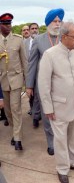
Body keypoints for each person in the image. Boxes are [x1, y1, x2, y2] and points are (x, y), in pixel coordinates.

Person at [38, 21, 74, 183]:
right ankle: (62, 169)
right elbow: (44, 84)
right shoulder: (50, 55)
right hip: (58, 107)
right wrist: (47, 107)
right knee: (60, 140)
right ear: (64, 37)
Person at [26, 8, 64, 155]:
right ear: (48, 23)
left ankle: (61, 140)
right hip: (44, 84)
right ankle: (51, 142)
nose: (57, 24)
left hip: (61, 84)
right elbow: (32, 64)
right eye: (54, 21)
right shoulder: (38, 40)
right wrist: (29, 85)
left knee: (60, 115)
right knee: (48, 114)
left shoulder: (64, 38)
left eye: (59, 21)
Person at [0, 13, 27, 150]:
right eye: (5, 24)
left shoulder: (18, 39)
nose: (8, 26)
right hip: (3, 81)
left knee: (16, 108)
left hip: (16, 80)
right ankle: (13, 131)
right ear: (0, 25)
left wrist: (28, 83)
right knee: (8, 111)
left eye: (9, 23)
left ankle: (18, 138)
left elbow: (25, 62)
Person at [24, 22, 40, 120]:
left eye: (36, 28)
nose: (34, 30)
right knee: (31, 93)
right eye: (32, 28)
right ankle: (33, 110)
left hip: (40, 72)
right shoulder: (24, 42)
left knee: (40, 93)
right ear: (29, 31)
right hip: (28, 72)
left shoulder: (43, 40)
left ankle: (38, 113)